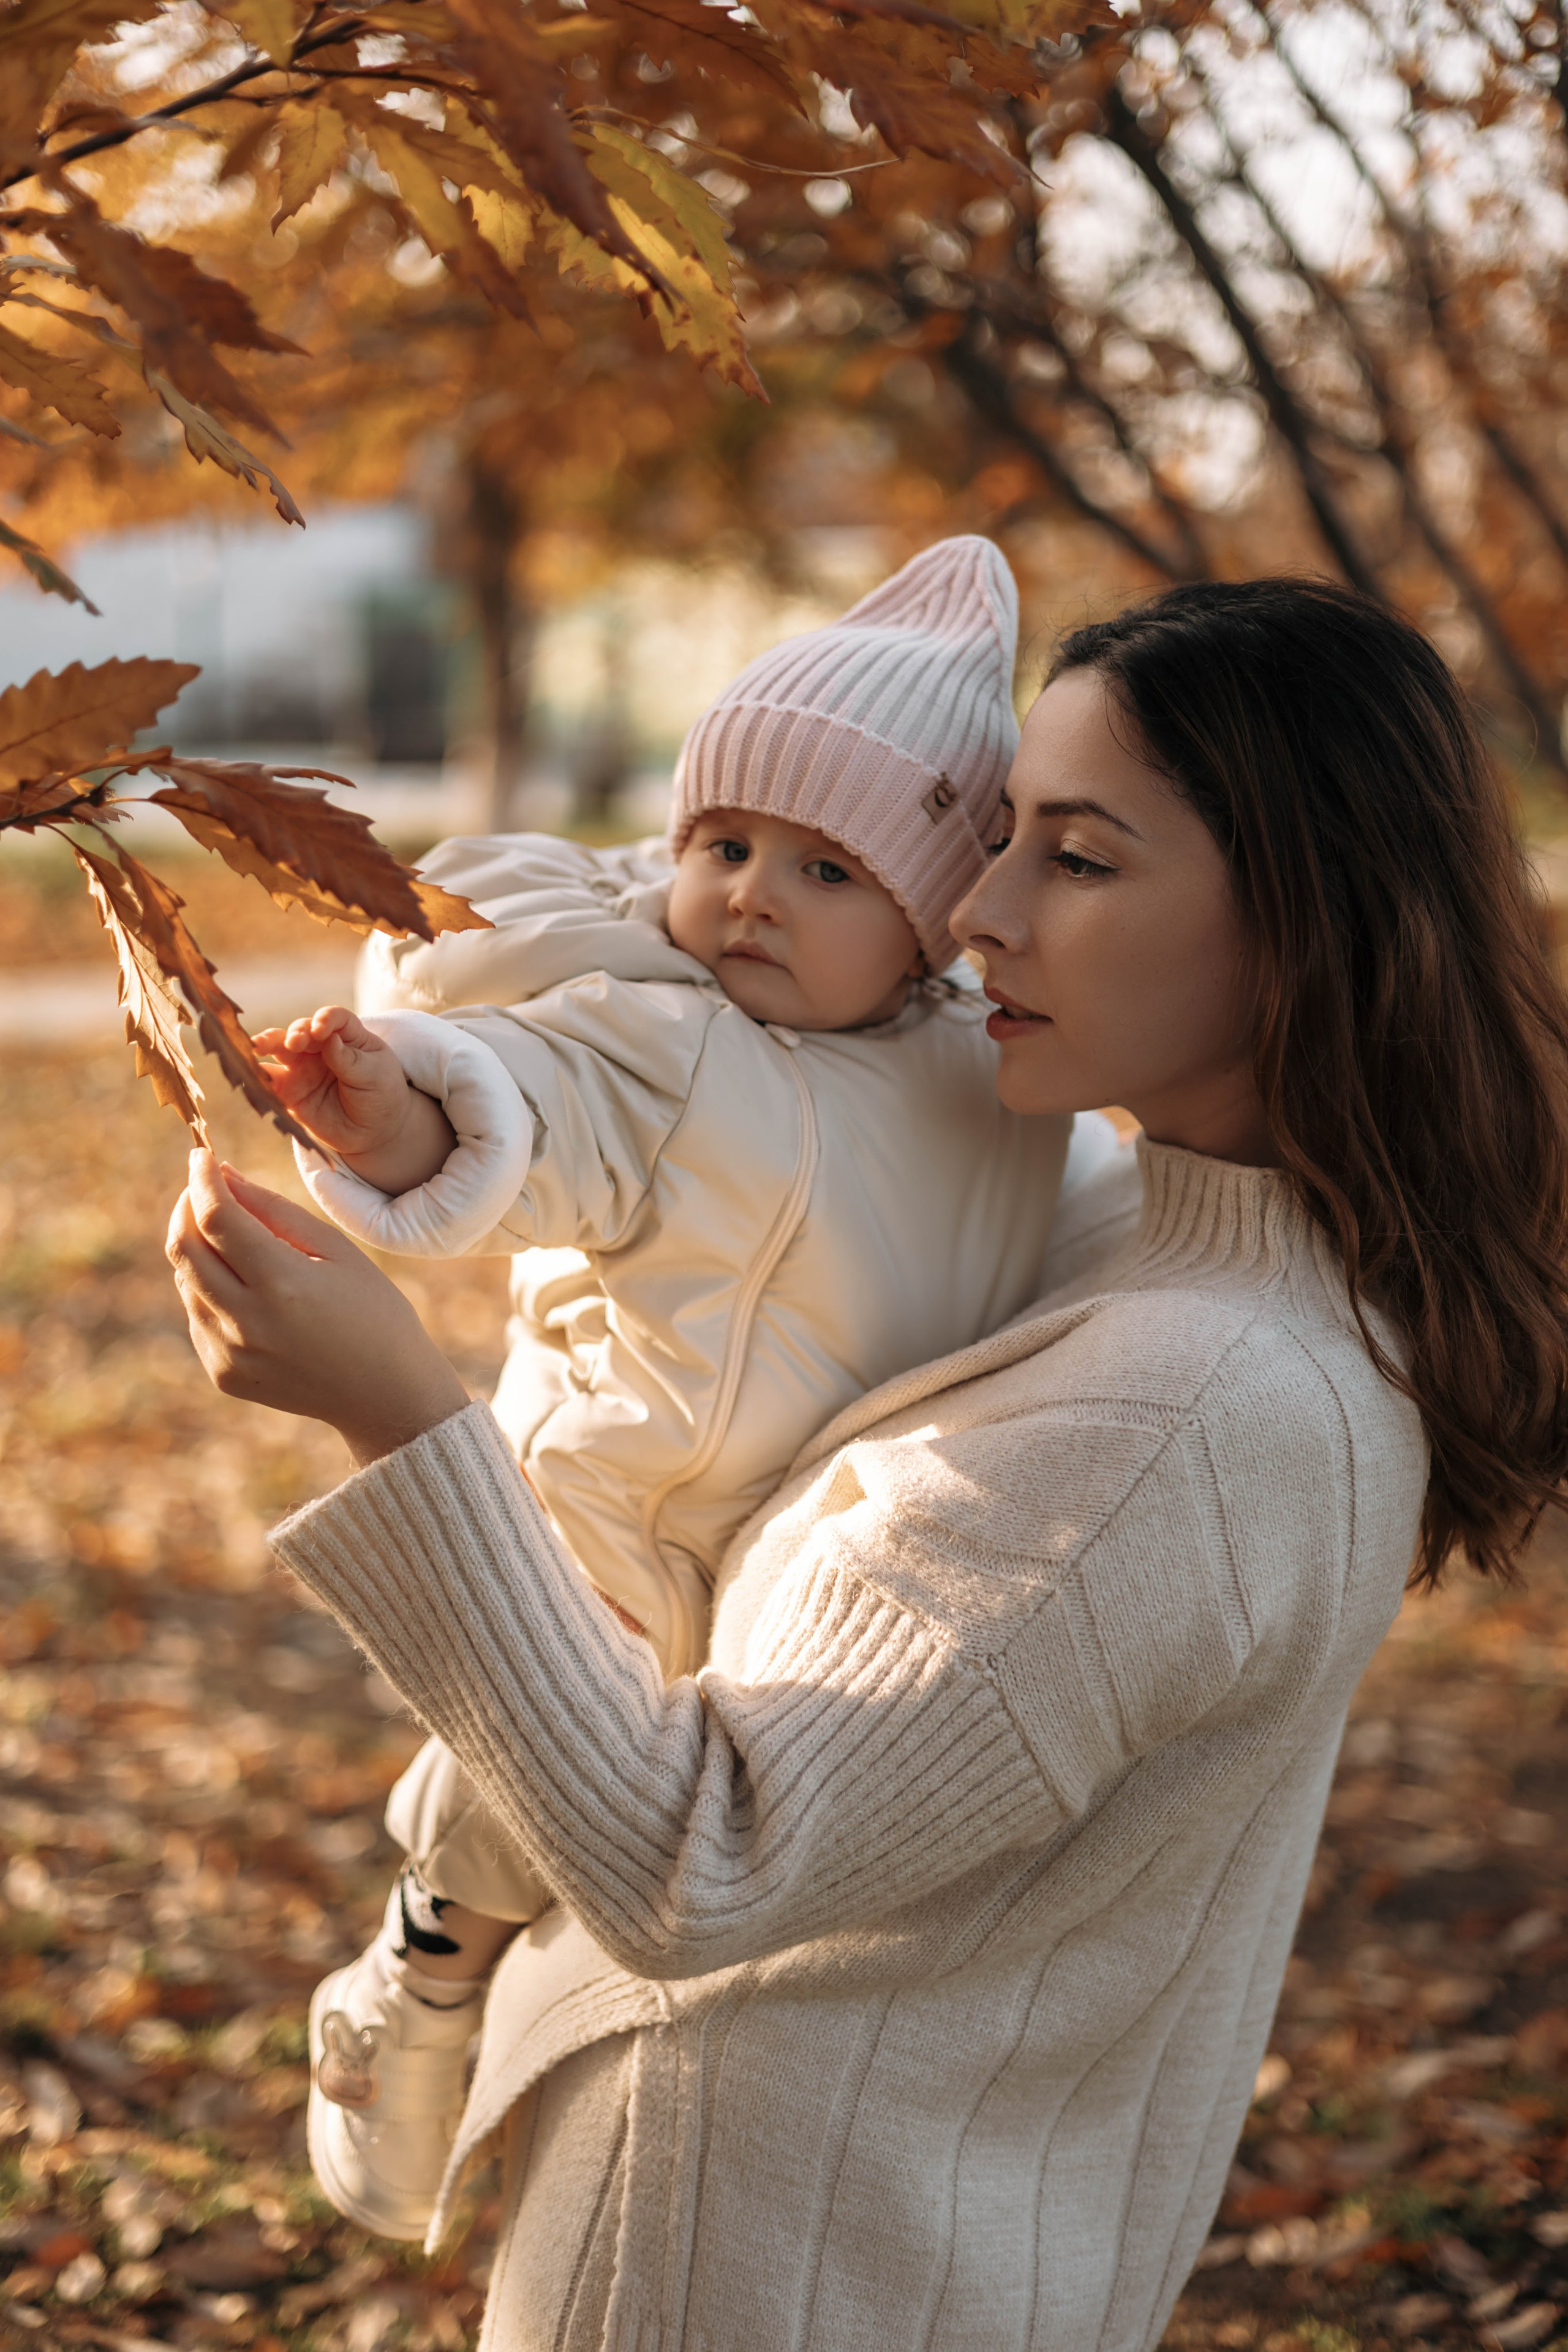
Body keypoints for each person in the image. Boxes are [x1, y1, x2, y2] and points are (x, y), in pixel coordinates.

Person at [167, 576, 1568, 2352]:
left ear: (1303, 918)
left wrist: (395, 1411)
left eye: (1074, 856)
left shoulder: (1187, 1409)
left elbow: (705, 1858)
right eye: (995, 841)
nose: (974, 911)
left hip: (768, 2269)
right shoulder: (1164, 1247)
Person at [247, 537, 1092, 2242]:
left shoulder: (987, 1074)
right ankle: (413, 1980)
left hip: (806, 1542)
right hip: (618, 1513)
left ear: (937, 919)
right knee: (531, 1810)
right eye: (724, 844)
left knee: (697, 1853)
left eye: (829, 870)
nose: (754, 896)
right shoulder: (679, 1046)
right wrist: (389, 1113)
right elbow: (531, 1107)